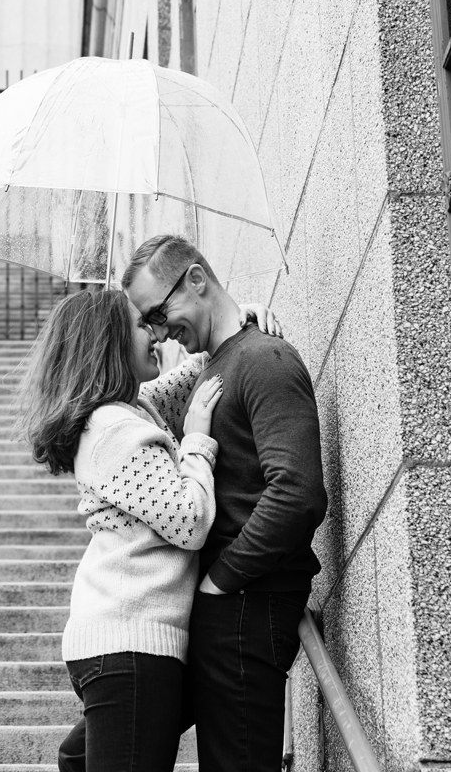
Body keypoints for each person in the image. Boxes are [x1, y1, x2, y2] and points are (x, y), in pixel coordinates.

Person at [123, 235, 328, 772]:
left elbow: (298, 494)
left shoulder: (267, 359)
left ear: (196, 279)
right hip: (219, 608)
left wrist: (223, 579)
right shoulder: (215, 367)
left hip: (247, 602)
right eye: (150, 323)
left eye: (160, 314)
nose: (162, 333)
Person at [18, 287, 225, 772]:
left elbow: (177, 385)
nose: (155, 333)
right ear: (108, 343)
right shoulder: (113, 428)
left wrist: (229, 325)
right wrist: (197, 441)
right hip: (130, 645)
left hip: (124, 641)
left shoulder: (129, 410)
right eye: (140, 325)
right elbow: (190, 520)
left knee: (79, 757)